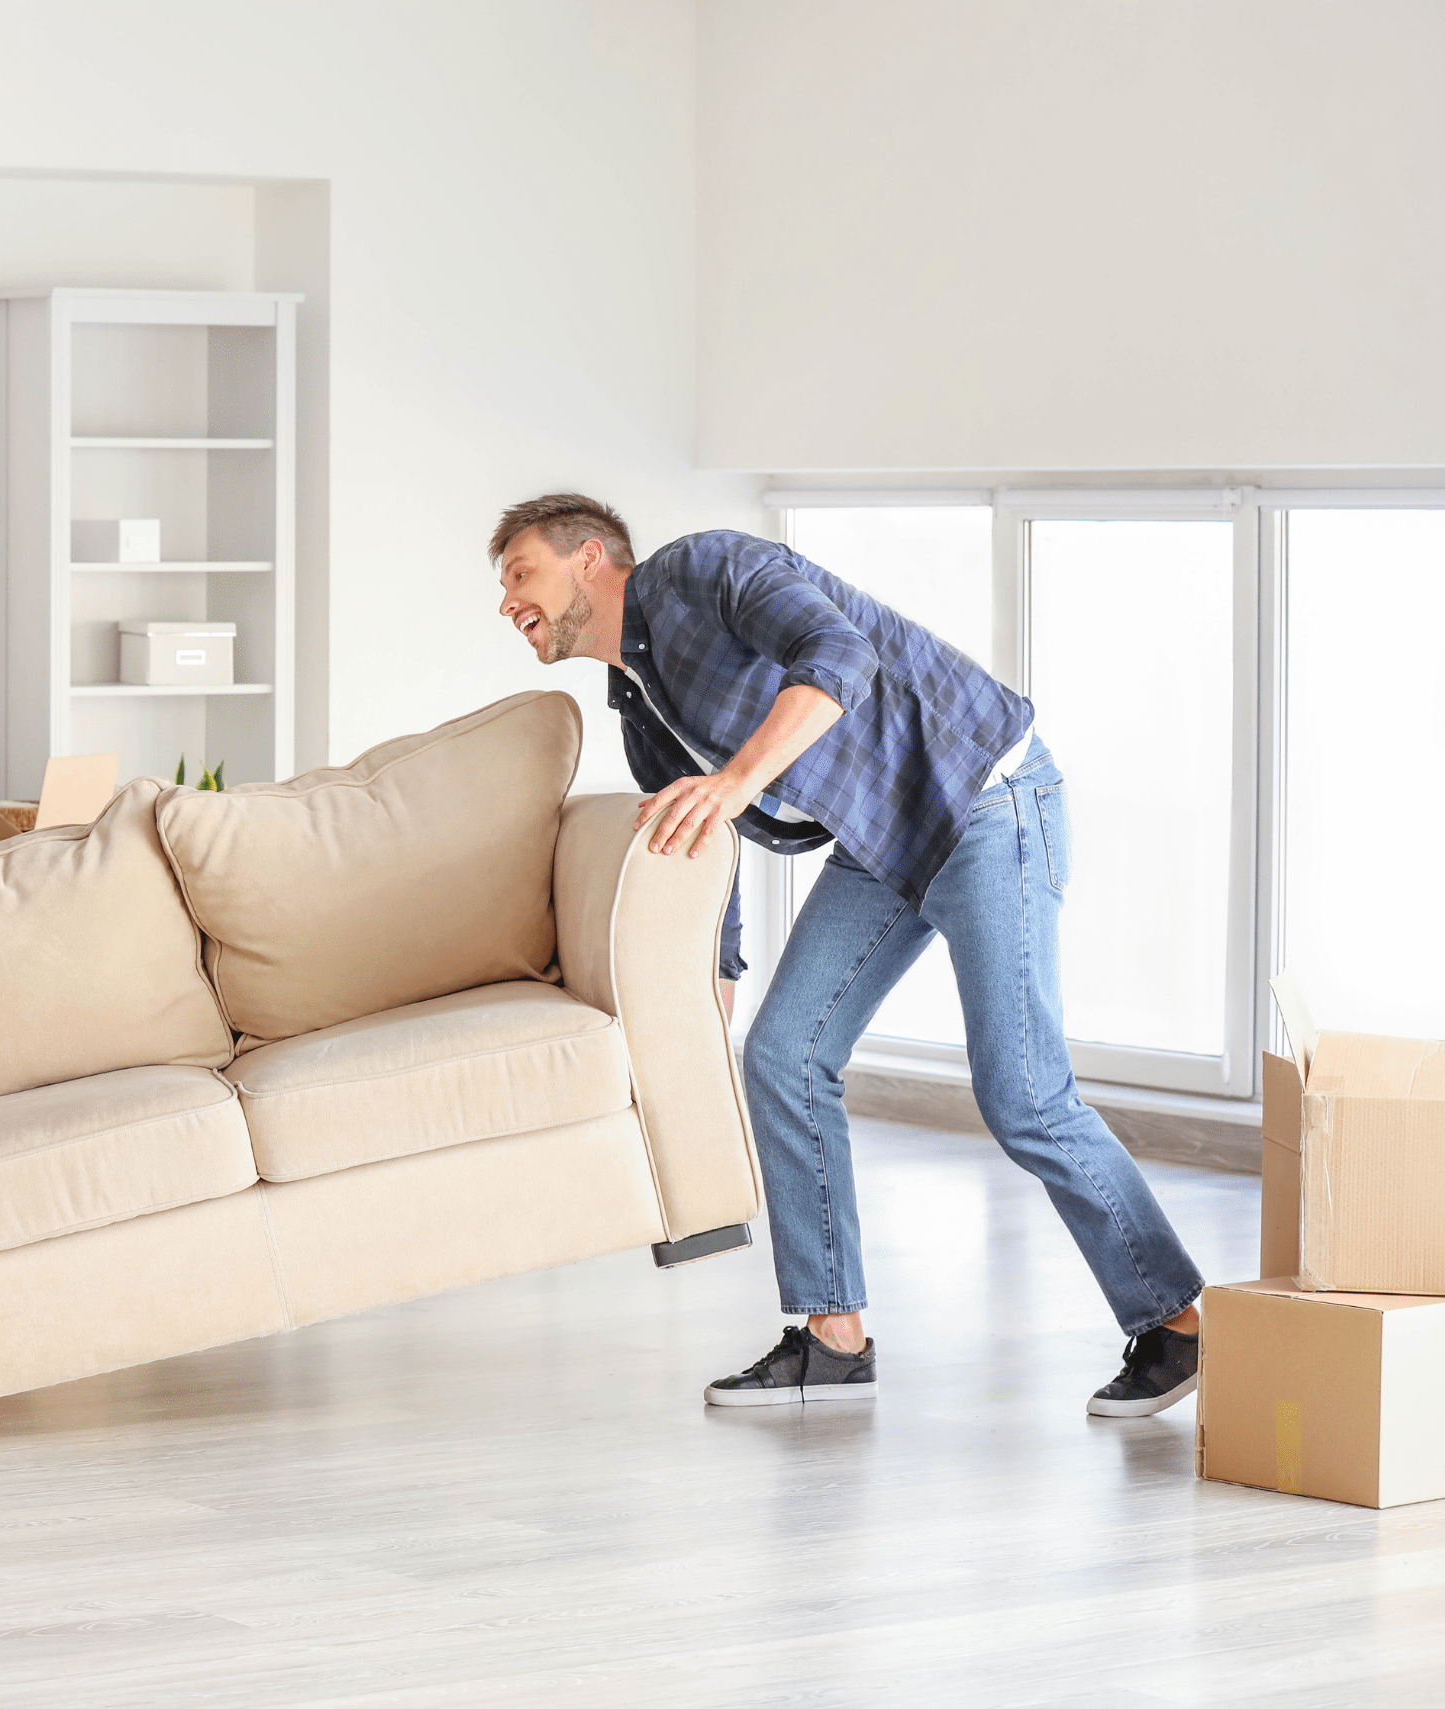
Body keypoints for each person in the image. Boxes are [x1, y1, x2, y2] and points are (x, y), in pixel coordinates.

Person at [491, 494, 1205, 1418]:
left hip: (982, 800)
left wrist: (737, 776)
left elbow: (841, 657)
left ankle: (1178, 1322)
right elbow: (702, 840)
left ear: (590, 557)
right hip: (885, 837)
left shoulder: (706, 568)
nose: (508, 602)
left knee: (1024, 1093)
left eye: (519, 574)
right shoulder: (635, 698)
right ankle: (834, 1338)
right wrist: (713, 987)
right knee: (783, 1053)